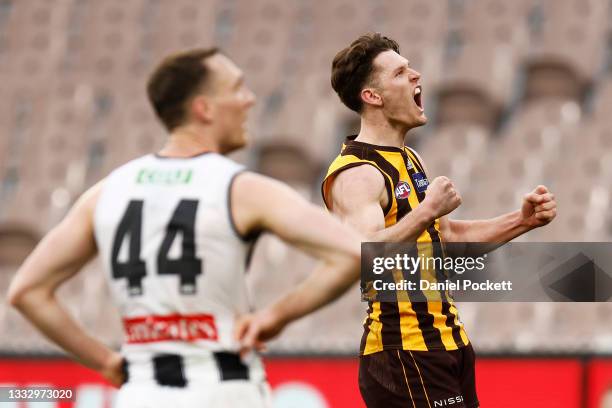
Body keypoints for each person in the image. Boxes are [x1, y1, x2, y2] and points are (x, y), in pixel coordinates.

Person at [8, 48, 363, 408]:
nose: (249, 100)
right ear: (204, 108)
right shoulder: (241, 188)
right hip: (223, 391)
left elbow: (26, 291)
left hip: (141, 394)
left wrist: (105, 362)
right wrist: (276, 316)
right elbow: (352, 252)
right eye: (237, 89)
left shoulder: (106, 192)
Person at [236, 33, 557, 408]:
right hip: (403, 352)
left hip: (446, 344)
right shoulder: (357, 173)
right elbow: (362, 253)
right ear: (373, 96)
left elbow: (445, 235)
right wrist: (426, 210)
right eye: (401, 73)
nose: (417, 75)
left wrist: (521, 221)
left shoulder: (407, 159)